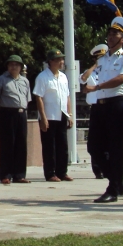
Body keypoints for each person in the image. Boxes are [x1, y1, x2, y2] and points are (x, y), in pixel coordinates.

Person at [86, 18, 123, 203]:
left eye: (115, 34)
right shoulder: (102, 59)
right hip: (100, 105)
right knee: (93, 147)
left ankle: (113, 187)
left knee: (115, 147)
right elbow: (90, 77)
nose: (110, 36)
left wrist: (98, 88)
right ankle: (116, 176)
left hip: (117, 103)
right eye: (109, 33)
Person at [0, 55, 32, 184]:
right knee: (7, 145)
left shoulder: (25, 81)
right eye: (11, 64)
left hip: (21, 113)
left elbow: (27, 98)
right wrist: (0, 113)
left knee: (21, 145)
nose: (14, 67)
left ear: (20, 67)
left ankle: (19, 175)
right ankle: (6, 174)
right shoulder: (1, 80)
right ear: (8, 66)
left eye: (16, 64)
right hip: (6, 113)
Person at [34, 49, 73, 182]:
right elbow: (38, 97)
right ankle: (50, 173)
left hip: (62, 114)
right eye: (58, 60)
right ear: (50, 61)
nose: (61, 62)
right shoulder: (43, 77)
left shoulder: (63, 77)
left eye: (61, 59)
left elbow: (67, 96)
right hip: (49, 115)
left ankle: (62, 172)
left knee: (63, 145)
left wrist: (70, 114)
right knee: (49, 147)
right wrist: (43, 117)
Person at [80, 44, 109, 179]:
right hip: (95, 108)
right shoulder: (91, 72)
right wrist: (94, 67)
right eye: (99, 58)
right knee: (95, 142)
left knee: (107, 140)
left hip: (107, 106)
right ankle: (97, 170)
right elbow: (83, 79)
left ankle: (107, 168)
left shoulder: (109, 70)